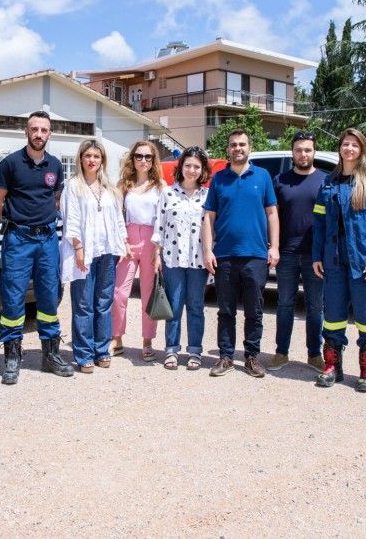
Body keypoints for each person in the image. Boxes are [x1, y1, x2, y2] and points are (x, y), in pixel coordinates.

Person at [312, 128, 366, 392]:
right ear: (340, 149)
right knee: (333, 318)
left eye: (354, 145)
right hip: (333, 262)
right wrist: (317, 255)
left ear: (361, 150)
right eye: (345, 144)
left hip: (363, 264)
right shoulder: (328, 183)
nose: (349, 148)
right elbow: (318, 223)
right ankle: (332, 368)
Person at [0, 111, 75, 384]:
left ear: (50, 134)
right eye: (34, 129)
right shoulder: (10, 163)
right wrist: (18, 220)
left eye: (44, 130)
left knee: (50, 298)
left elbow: (57, 198)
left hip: (48, 239)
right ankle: (12, 357)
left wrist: (43, 220)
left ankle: (50, 355)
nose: (39, 134)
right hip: (19, 240)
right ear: (26, 132)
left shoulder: (55, 165)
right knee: (13, 298)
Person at [202, 130, 279, 378]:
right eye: (233, 145)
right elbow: (209, 216)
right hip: (224, 255)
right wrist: (207, 250)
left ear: (250, 147)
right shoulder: (218, 179)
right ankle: (225, 356)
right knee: (225, 310)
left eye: (242, 144)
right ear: (228, 149)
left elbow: (272, 213)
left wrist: (274, 246)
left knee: (254, 311)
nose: (238, 148)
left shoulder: (263, 176)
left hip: (256, 255)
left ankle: (251, 357)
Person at [60, 139, 129, 372]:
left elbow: (119, 220)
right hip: (84, 253)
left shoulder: (110, 188)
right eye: (88, 156)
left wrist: (123, 244)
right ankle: (84, 353)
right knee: (83, 304)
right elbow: (71, 220)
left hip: (107, 252)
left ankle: (102, 349)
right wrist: (78, 248)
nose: (92, 160)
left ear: (103, 160)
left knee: (103, 303)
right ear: (81, 158)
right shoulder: (73, 186)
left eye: (96, 156)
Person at [268, 131, 327, 373]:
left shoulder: (326, 180)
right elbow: (272, 217)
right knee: (285, 304)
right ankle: (281, 352)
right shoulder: (280, 180)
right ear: (292, 152)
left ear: (314, 152)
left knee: (315, 307)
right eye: (299, 150)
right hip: (287, 254)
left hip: (316, 257)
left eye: (308, 150)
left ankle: (315, 354)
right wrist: (273, 247)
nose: (303, 154)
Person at [152, 146, 210, 370]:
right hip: (172, 259)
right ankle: (171, 350)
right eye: (188, 165)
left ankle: (195, 351)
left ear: (202, 170)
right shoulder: (168, 193)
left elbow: (212, 227)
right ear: (181, 167)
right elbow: (159, 225)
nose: (192, 170)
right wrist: (156, 255)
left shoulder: (208, 195)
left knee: (196, 305)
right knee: (174, 305)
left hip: (198, 260)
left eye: (197, 166)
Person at [111, 140, 165, 361]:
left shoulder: (161, 186)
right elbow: (117, 216)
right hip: (128, 239)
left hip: (152, 241)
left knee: (148, 294)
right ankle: (117, 337)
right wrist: (122, 241)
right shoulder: (123, 185)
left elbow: (163, 219)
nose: (143, 160)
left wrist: (158, 249)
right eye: (139, 156)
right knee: (119, 292)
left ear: (153, 161)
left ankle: (147, 340)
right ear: (132, 159)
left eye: (148, 157)